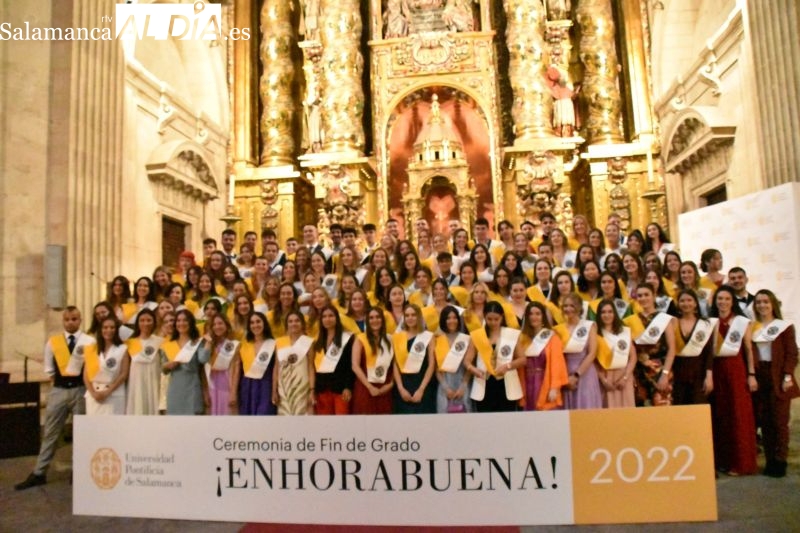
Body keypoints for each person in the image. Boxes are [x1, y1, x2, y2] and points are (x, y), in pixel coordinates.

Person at [16, 307, 95, 490]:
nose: (71, 322)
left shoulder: (89, 341)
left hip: (81, 390)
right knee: (51, 432)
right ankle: (39, 472)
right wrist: (61, 385)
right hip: (59, 390)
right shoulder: (53, 342)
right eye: (67, 319)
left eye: (74, 319)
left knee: (82, 433)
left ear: (80, 320)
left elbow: (92, 367)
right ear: (63, 321)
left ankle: (79, 471)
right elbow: (50, 370)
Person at [709, 285, 758, 475]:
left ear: (732, 302)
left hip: (736, 370)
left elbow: (748, 349)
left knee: (738, 414)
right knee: (720, 414)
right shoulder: (710, 321)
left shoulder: (741, 322)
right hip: (717, 370)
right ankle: (723, 460)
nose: (723, 302)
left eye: (727, 299)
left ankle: (741, 462)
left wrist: (751, 374)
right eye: (720, 299)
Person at [751, 289, 799, 477]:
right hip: (760, 374)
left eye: (765, 302)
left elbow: (792, 353)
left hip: (778, 375)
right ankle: (770, 459)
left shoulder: (784, 326)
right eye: (758, 302)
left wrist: (787, 376)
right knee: (765, 420)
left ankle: (781, 460)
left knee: (780, 421)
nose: (762, 305)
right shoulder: (752, 327)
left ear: (773, 304)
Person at [465, 301, 524, 412]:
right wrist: (473, 369)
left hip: (507, 383)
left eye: (496, 319)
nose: (493, 322)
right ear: (484, 316)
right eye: (489, 319)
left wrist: (508, 366)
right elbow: (467, 361)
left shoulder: (512, 334)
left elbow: (522, 359)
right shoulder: (477, 335)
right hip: (483, 383)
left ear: (502, 317)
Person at [625, 283, 676, 406]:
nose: (643, 298)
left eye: (646, 295)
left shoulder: (664, 319)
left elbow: (672, 349)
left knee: (662, 408)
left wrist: (665, 374)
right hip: (639, 372)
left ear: (654, 296)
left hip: (660, 371)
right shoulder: (631, 320)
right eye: (640, 295)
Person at [517, 302, 567, 410]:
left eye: (537, 314)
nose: (534, 317)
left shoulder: (552, 337)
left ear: (543, 316)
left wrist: (554, 387)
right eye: (531, 314)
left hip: (544, 381)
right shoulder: (522, 339)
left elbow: (557, 364)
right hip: (526, 382)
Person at [555, 293, 602, 409]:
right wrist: (565, 378)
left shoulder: (589, 326)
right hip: (566, 374)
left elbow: (592, 353)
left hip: (585, 373)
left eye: (572, 305)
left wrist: (576, 375)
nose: (568, 309)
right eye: (565, 306)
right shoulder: (558, 329)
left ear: (579, 307)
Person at [161, 310, 211, 415]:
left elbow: (203, 359)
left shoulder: (197, 342)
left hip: (192, 388)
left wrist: (208, 343)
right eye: (178, 320)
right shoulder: (169, 344)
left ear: (191, 322)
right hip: (175, 388)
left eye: (185, 320)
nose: (181, 323)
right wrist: (168, 365)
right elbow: (164, 369)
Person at [671, 290, 715, 406]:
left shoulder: (705, 324)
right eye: (682, 301)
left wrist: (709, 376)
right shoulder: (673, 323)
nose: (686, 303)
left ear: (696, 303)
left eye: (689, 300)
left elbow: (709, 352)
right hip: (678, 372)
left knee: (698, 408)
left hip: (698, 373)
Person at [392, 304, 437, 414]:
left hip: (423, 384)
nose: (410, 318)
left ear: (419, 317)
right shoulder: (397, 337)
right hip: (403, 386)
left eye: (413, 315)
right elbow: (395, 365)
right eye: (407, 315)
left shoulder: (429, 336)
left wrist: (421, 389)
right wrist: (401, 389)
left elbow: (431, 365)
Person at [351, 307, 395, 414]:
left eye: (378, 317)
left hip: (385, 387)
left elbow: (395, 365)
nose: (375, 320)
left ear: (382, 320)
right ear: (367, 321)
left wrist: (391, 384)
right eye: (371, 318)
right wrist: (369, 387)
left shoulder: (390, 339)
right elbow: (355, 366)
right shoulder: (360, 338)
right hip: (365, 387)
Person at [314, 305, 356, 415]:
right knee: (325, 423)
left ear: (337, 318)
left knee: (342, 422)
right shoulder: (317, 341)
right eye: (324, 316)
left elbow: (350, 365)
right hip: (322, 388)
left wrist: (348, 387)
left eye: (331, 316)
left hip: (340, 388)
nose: (327, 319)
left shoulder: (347, 338)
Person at [83, 317, 130, 415]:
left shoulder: (122, 349)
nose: (109, 330)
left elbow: (123, 374)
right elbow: (86, 375)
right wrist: (93, 393)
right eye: (105, 327)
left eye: (112, 327)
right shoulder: (92, 349)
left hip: (114, 395)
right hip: (94, 395)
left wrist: (108, 392)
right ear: (100, 330)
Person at [595, 299, 636, 408]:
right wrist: (603, 380)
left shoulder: (624, 331)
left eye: (610, 312)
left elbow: (633, 357)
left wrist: (625, 378)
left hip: (624, 376)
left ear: (615, 314)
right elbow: (594, 361)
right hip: (606, 378)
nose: (607, 315)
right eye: (603, 312)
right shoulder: (595, 334)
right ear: (599, 315)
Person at [273, 311, 315, 415]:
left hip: (302, 387)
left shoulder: (308, 342)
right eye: (290, 321)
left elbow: (311, 367)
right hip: (284, 388)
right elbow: (276, 367)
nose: (293, 323)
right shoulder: (279, 342)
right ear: (286, 324)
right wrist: (274, 390)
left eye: (297, 321)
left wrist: (312, 390)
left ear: (302, 324)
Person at [434, 306, 474, 413]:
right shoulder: (437, 340)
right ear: (443, 320)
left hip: (463, 385)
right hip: (444, 387)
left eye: (455, 317)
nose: (452, 321)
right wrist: (446, 388)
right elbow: (436, 368)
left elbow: (469, 366)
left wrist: (463, 387)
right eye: (448, 318)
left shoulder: (467, 339)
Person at [239, 312, 277, 415]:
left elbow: (276, 369)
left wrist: (274, 390)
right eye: (252, 323)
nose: (255, 325)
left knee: (264, 415)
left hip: (266, 385)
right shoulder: (244, 344)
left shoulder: (273, 344)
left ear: (264, 323)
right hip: (248, 386)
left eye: (258, 321)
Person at [125, 308, 163, 415]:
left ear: (154, 322)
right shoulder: (130, 342)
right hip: (136, 381)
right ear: (137, 323)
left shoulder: (160, 341)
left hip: (154, 379)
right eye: (142, 320)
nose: (145, 323)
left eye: (149, 320)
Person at [206, 314, 241, 415]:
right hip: (211, 387)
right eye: (214, 324)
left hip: (227, 387)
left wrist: (233, 392)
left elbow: (236, 370)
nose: (217, 326)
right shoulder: (208, 344)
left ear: (226, 325)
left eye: (220, 323)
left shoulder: (234, 345)